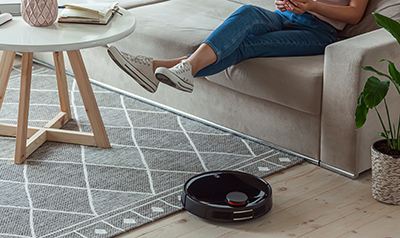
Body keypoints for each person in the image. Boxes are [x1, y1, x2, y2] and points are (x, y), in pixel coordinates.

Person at [108, 0, 369, 93]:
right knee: (248, 12)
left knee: (246, 45)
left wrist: (312, 6)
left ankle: (160, 66)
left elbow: (355, 14)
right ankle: (182, 69)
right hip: (289, 16)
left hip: (318, 32)